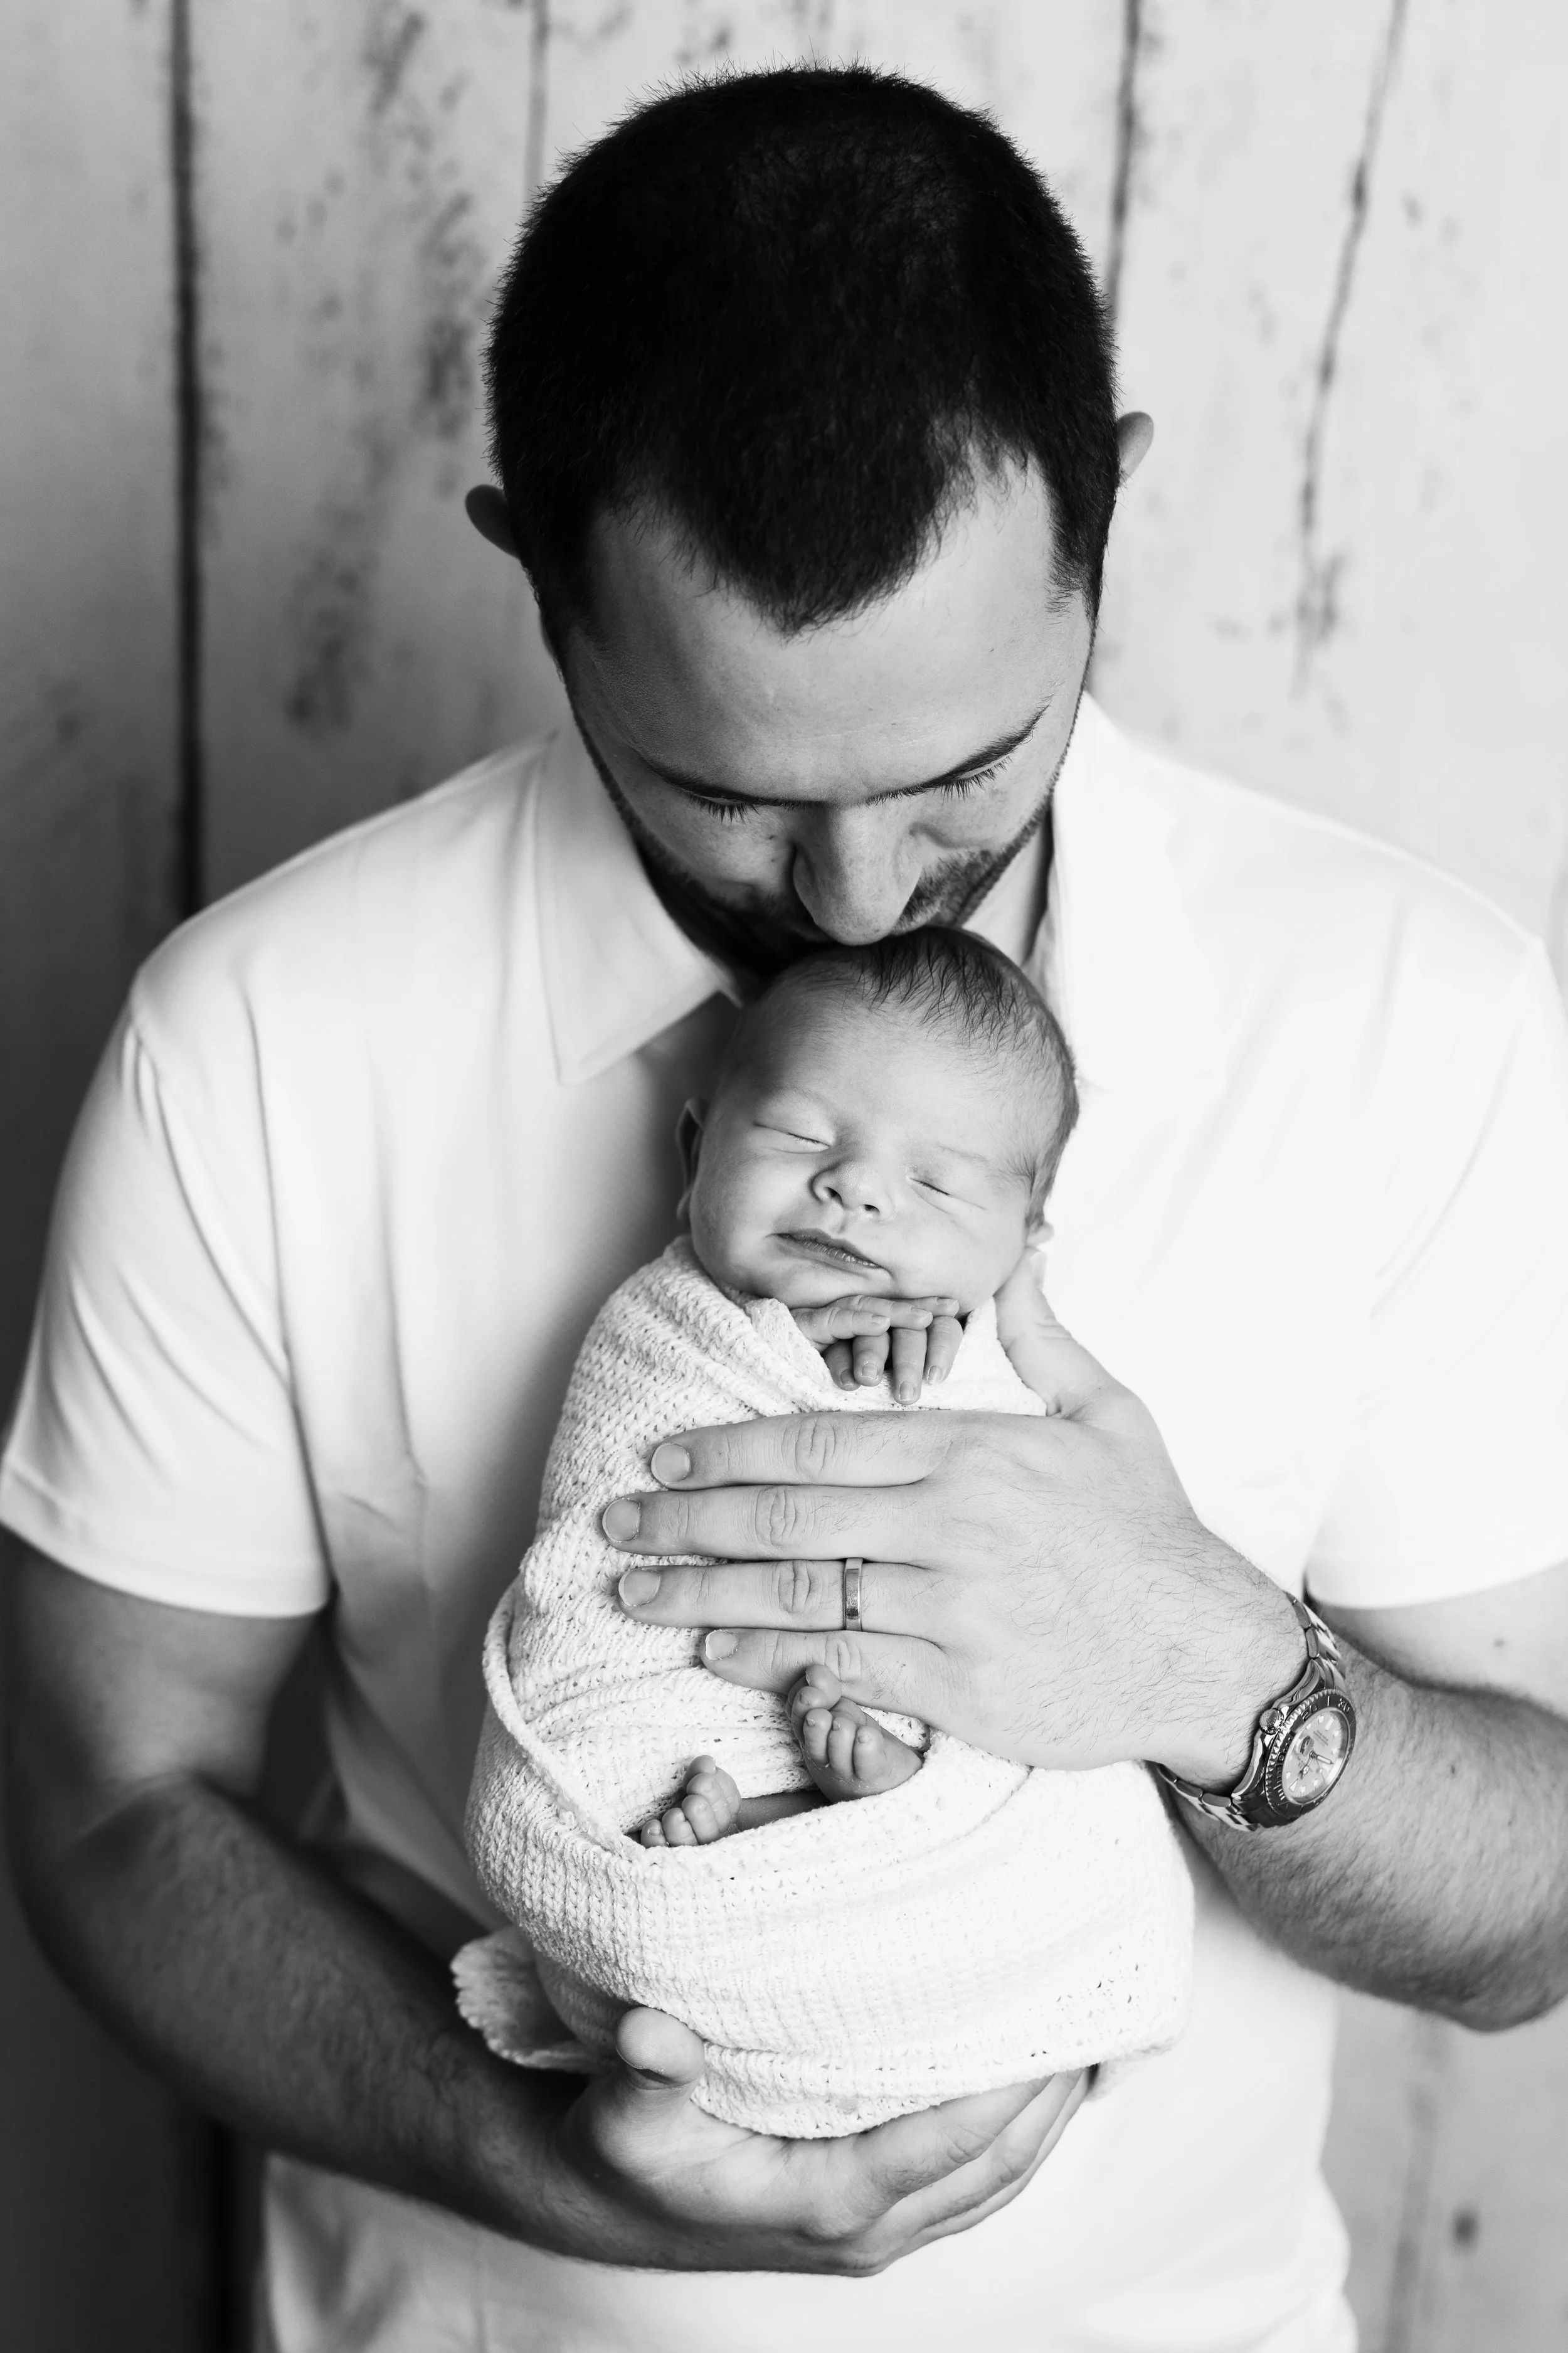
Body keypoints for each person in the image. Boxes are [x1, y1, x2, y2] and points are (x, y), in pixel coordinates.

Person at [4, 60, 1568, 2353]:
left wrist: (1207, 1661)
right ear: (530, 570)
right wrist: (542, 2154)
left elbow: (1530, 1910)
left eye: (959, 770)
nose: (846, 898)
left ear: (1103, 527)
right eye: (722, 789)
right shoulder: (255, 1039)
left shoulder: (1406, 1013)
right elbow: (111, 1799)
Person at [457, 928, 1192, 2142]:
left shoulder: (1014, 1374)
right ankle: (793, 1831)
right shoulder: (665, 1335)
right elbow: (613, 1517)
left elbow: (1046, 1551)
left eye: (940, 1186)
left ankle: (851, 1824)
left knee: (1086, 1836)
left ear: (1023, 1245)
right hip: (648, 1735)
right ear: (694, 1152)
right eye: (802, 1137)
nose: (855, 1189)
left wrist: (949, 1381)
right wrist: (809, 1368)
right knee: (631, 1802)